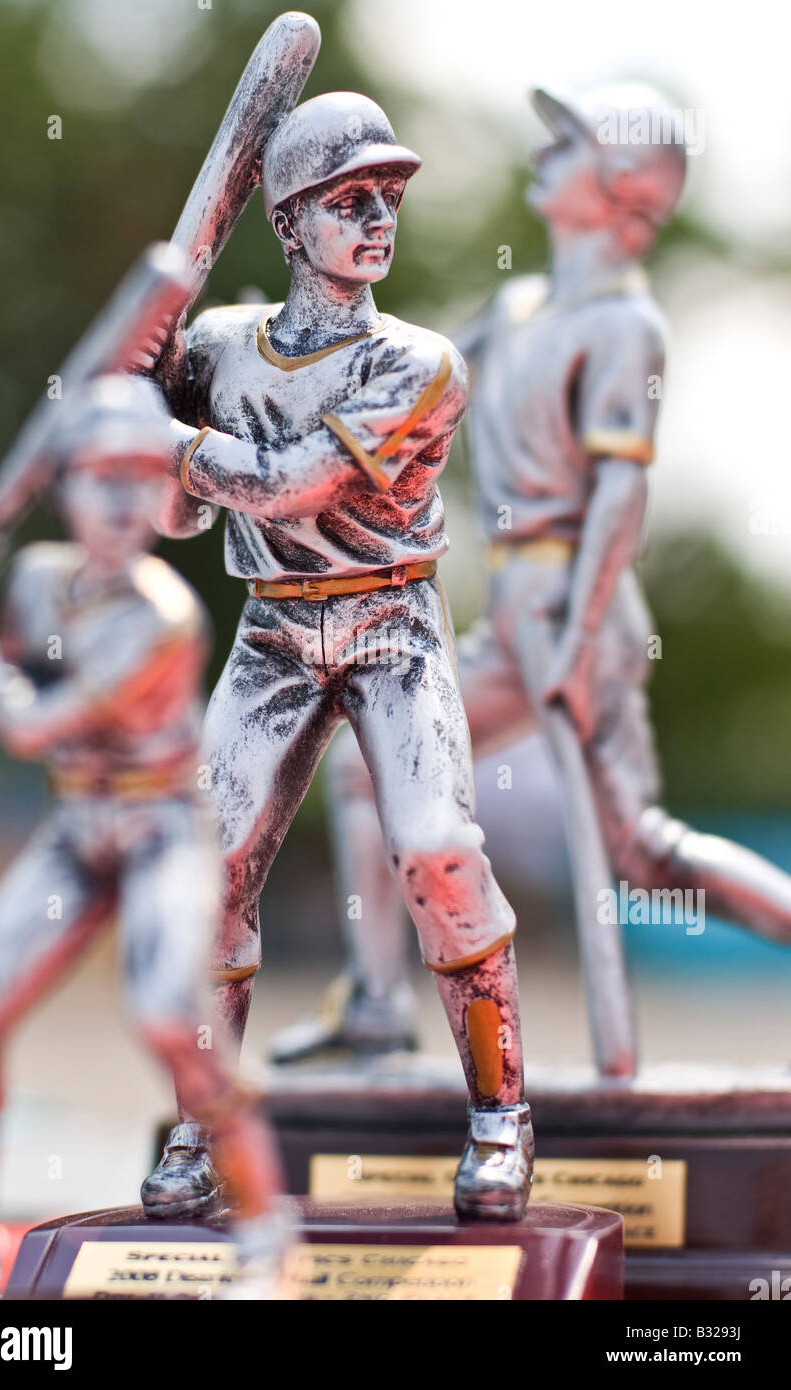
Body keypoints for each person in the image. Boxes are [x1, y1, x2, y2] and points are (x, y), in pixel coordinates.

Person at [271, 83, 791, 1068]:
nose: (543, 158)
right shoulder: (514, 306)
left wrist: (579, 631)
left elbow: (618, 500)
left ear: (622, 185)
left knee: (640, 850)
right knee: (362, 768)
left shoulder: (622, 328)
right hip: (512, 604)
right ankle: (378, 1000)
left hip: (574, 610)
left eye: (570, 147)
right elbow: (396, 377)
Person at [145, 92, 534, 1222]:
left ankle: (502, 1118)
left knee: (439, 852)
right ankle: (197, 1125)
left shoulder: (421, 363)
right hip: (272, 627)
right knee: (208, 873)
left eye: (390, 200)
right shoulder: (217, 344)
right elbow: (180, 523)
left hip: (391, 626)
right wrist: (144, 396)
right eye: (350, 200)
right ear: (289, 219)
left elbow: (289, 485)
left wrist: (158, 436)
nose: (379, 220)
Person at [0, 375, 287, 1296]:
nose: (123, 500)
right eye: (100, 476)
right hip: (79, 829)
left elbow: (31, 727)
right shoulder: (40, 585)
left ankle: (267, 1235)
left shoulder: (166, 618)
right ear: (66, 486)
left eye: (140, 476)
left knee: (170, 1016)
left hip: (163, 826)